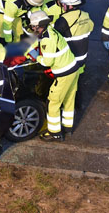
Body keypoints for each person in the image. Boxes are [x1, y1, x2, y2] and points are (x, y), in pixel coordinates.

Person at [25, 11, 80, 141]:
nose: (33, 28)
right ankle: (68, 127)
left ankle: (54, 133)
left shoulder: (46, 39)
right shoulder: (50, 30)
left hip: (64, 74)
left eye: (34, 26)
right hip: (73, 69)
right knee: (69, 100)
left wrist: (36, 57)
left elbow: (47, 62)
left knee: (53, 102)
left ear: (39, 25)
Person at [54, 0, 94, 71]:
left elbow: (54, 37)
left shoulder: (63, 20)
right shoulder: (86, 15)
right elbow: (91, 27)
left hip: (70, 60)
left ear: (69, 5)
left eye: (64, 4)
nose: (63, 6)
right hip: (83, 58)